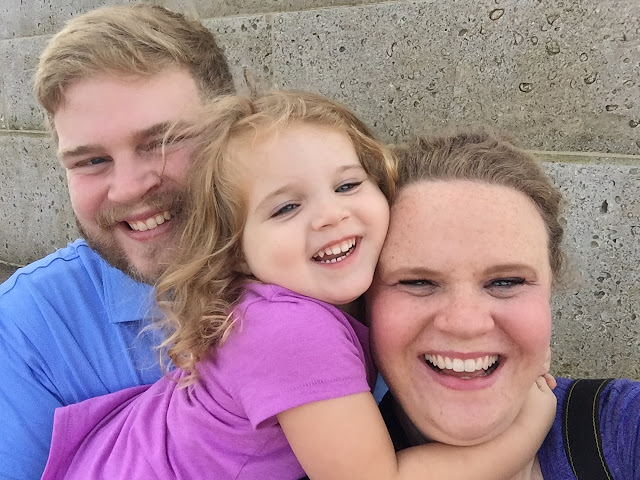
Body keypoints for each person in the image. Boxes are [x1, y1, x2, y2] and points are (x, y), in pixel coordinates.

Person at [43, 91, 555, 479]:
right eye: (286, 207)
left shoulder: (281, 304)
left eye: (348, 184)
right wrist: (534, 419)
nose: (331, 215)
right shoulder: (293, 331)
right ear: (236, 248)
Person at [0, 5, 234, 478]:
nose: (127, 189)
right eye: (91, 161)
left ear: (233, 128)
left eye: (163, 141)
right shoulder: (30, 326)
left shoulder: (332, 260)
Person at [367, 131, 640, 479]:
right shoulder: (305, 460)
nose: (465, 323)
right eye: (417, 282)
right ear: (362, 302)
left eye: (506, 282)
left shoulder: (624, 429)